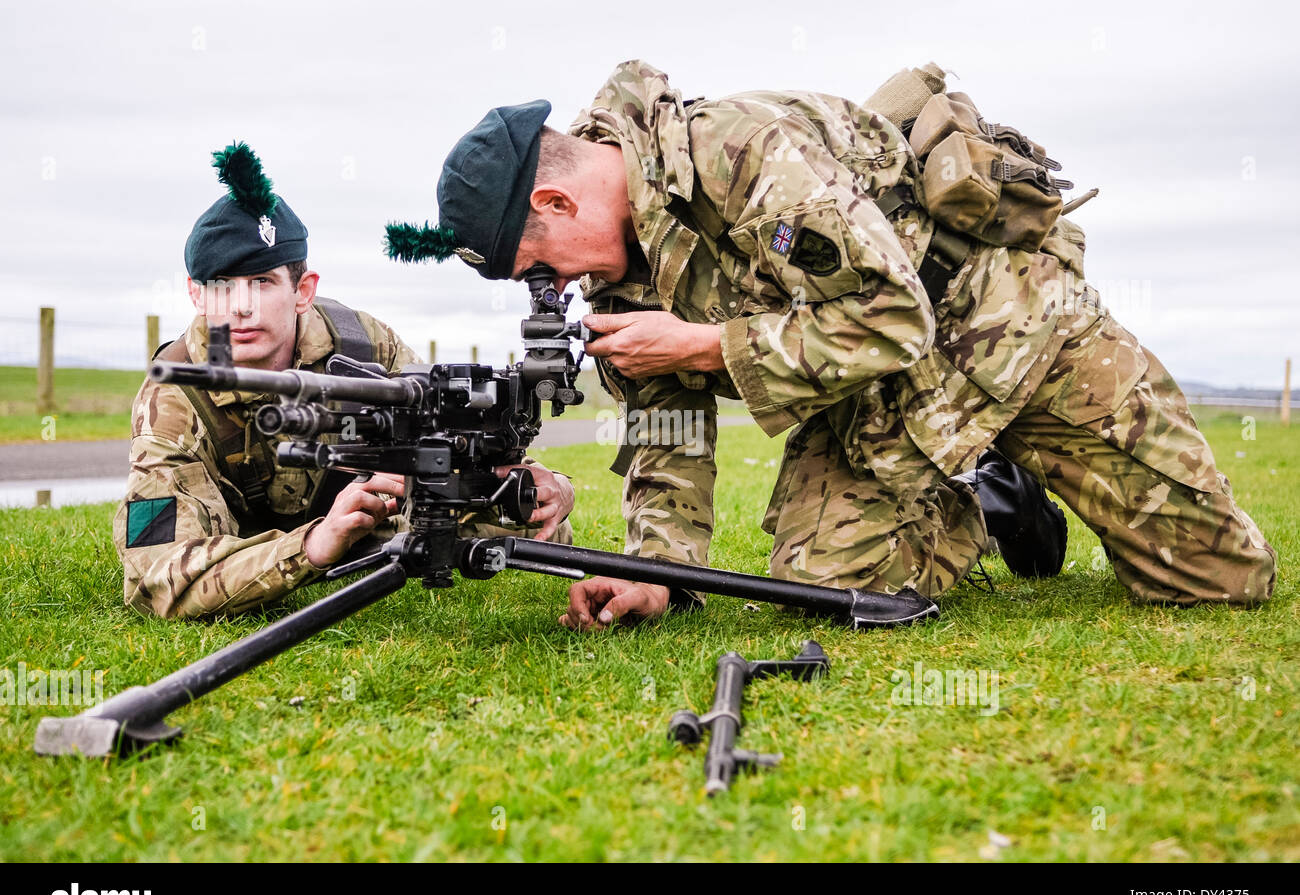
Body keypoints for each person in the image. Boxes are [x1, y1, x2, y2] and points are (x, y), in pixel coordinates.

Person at [395, 60, 1274, 630]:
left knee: (1222, 581)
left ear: (555, 204)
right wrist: (654, 571)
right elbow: (672, 430)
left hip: (1007, 327)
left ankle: (1015, 450)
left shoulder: (741, 153)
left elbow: (898, 317)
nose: (550, 287)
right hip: (880, 395)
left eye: (535, 265)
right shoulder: (622, 271)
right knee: (824, 588)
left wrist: (705, 344)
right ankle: (981, 488)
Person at [115, 142, 574, 619]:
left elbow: (446, 447)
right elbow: (158, 578)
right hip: (237, 541)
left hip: (361, 522)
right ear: (195, 294)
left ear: (303, 291)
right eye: (221, 286)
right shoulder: (174, 395)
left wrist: (548, 484)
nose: (241, 306)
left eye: (263, 282)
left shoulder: (363, 345)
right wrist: (312, 546)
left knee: (517, 511)